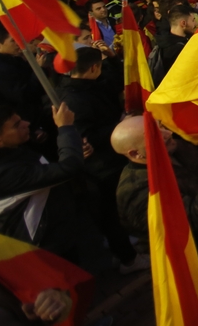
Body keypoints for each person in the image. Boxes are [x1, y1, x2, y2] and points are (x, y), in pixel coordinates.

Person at [113, 117, 198, 326]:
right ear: (134, 153)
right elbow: (194, 219)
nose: (167, 134)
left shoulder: (178, 149)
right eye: (155, 135)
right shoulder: (138, 191)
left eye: (161, 126)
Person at [58, 48, 147, 274]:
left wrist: (114, 58)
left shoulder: (89, 86)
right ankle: (127, 258)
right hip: (102, 166)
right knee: (111, 211)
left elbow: (118, 80)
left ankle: (128, 244)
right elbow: (87, 136)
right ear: (93, 67)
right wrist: (121, 124)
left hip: (111, 158)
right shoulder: (75, 99)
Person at [0, 104, 85, 261]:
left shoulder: (10, 152)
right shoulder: (1, 176)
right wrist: (66, 128)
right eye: (16, 125)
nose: (26, 123)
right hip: (44, 251)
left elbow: (53, 169)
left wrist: (74, 149)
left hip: (60, 235)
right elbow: (69, 168)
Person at [150, 4, 197, 86]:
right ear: (183, 23)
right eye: (193, 20)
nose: (195, 24)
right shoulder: (179, 50)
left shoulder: (163, 43)